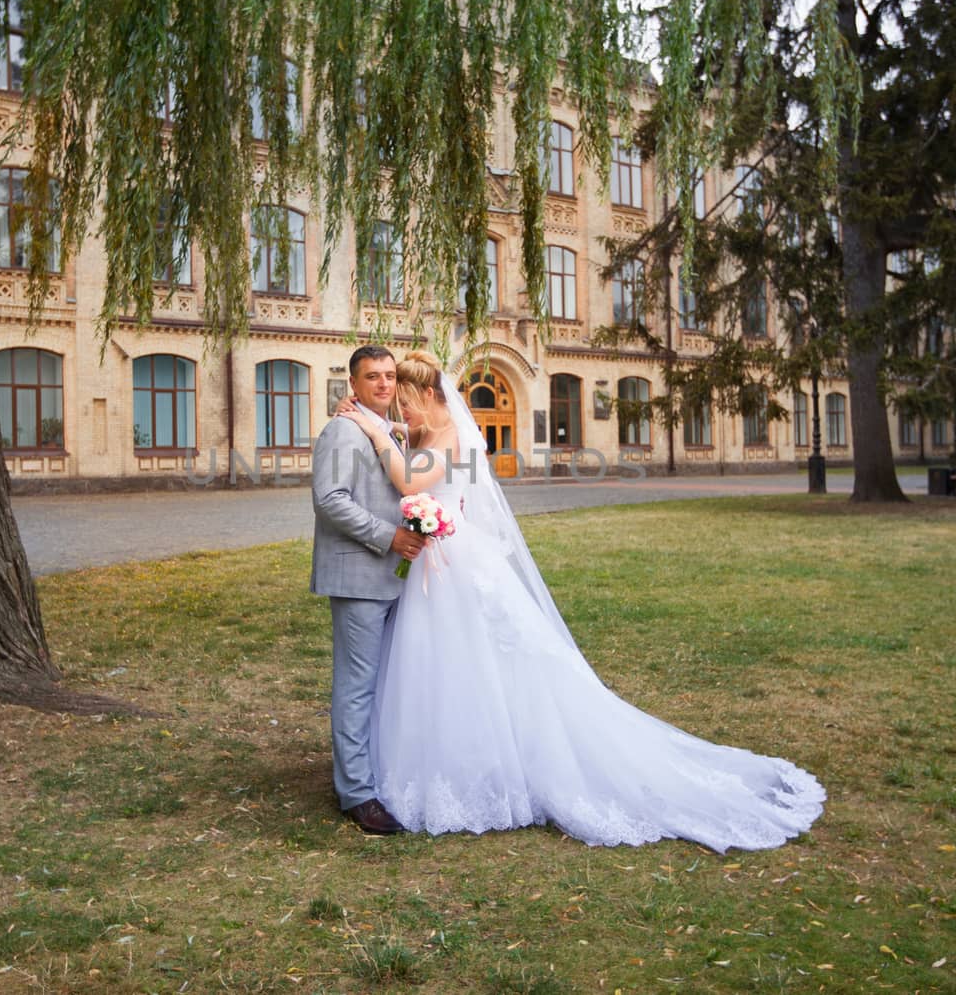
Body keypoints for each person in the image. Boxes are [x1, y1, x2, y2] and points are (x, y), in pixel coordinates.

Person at [332, 350, 825, 850]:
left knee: (475, 660)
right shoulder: (414, 434)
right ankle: (428, 756)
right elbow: (401, 463)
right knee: (433, 666)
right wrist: (373, 424)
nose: (402, 412)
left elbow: (411, 481)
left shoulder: (454, 435)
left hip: (454, 561)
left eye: (409, 401)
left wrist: (376, 435)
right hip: (429, 562)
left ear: (432, 396)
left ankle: (487, 761)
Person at [310, 345, 427, 835]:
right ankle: (357, 793)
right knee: (357, 686)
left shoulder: (382, 430)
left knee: (381, 683)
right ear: (352, 385)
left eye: (388, 376)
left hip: (390, 579)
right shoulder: (342, 430)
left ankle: (374, 771)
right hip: (359, 575)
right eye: (371, 377)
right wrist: (390, 537)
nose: (382, 384)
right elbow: (330, 501)